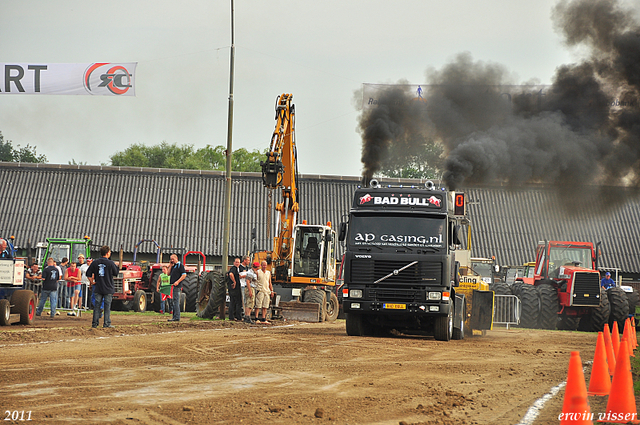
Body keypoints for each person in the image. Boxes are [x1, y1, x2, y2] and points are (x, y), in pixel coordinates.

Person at [86, 245, 119, 328]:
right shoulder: (110, 263)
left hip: (98, 287)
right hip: (108, 287)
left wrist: (92, 282)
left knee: (97, 306)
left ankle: (94, 323)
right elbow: (116, 273)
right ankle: (106, 323)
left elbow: (88, 273)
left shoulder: (95, 262)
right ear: (107, 253)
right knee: (107, 307)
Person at [168, 254, 186, 322]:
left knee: (176, 301)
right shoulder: (174, 266)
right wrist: (170, 266)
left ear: (176, 258)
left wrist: (177, 282)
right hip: (173, 286)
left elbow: (184, 275)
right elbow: (168, 274)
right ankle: (174, 316)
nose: (172, 260)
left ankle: (176, 317)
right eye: (171, 259)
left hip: (177, 286)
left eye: (173, 259)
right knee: (173, 301)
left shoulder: (180, 265)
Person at [227, 257, 243, 322]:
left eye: (238, 262)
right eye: (236, 262)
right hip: (234, 288)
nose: (237, 263)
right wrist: (234, 282)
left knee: (233, 302)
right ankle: (237, 317)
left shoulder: (239, 269)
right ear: (234, 263)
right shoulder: (233, 268)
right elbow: (231, 274)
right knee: (236, 302)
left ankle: (233, 316)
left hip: (236, 288)